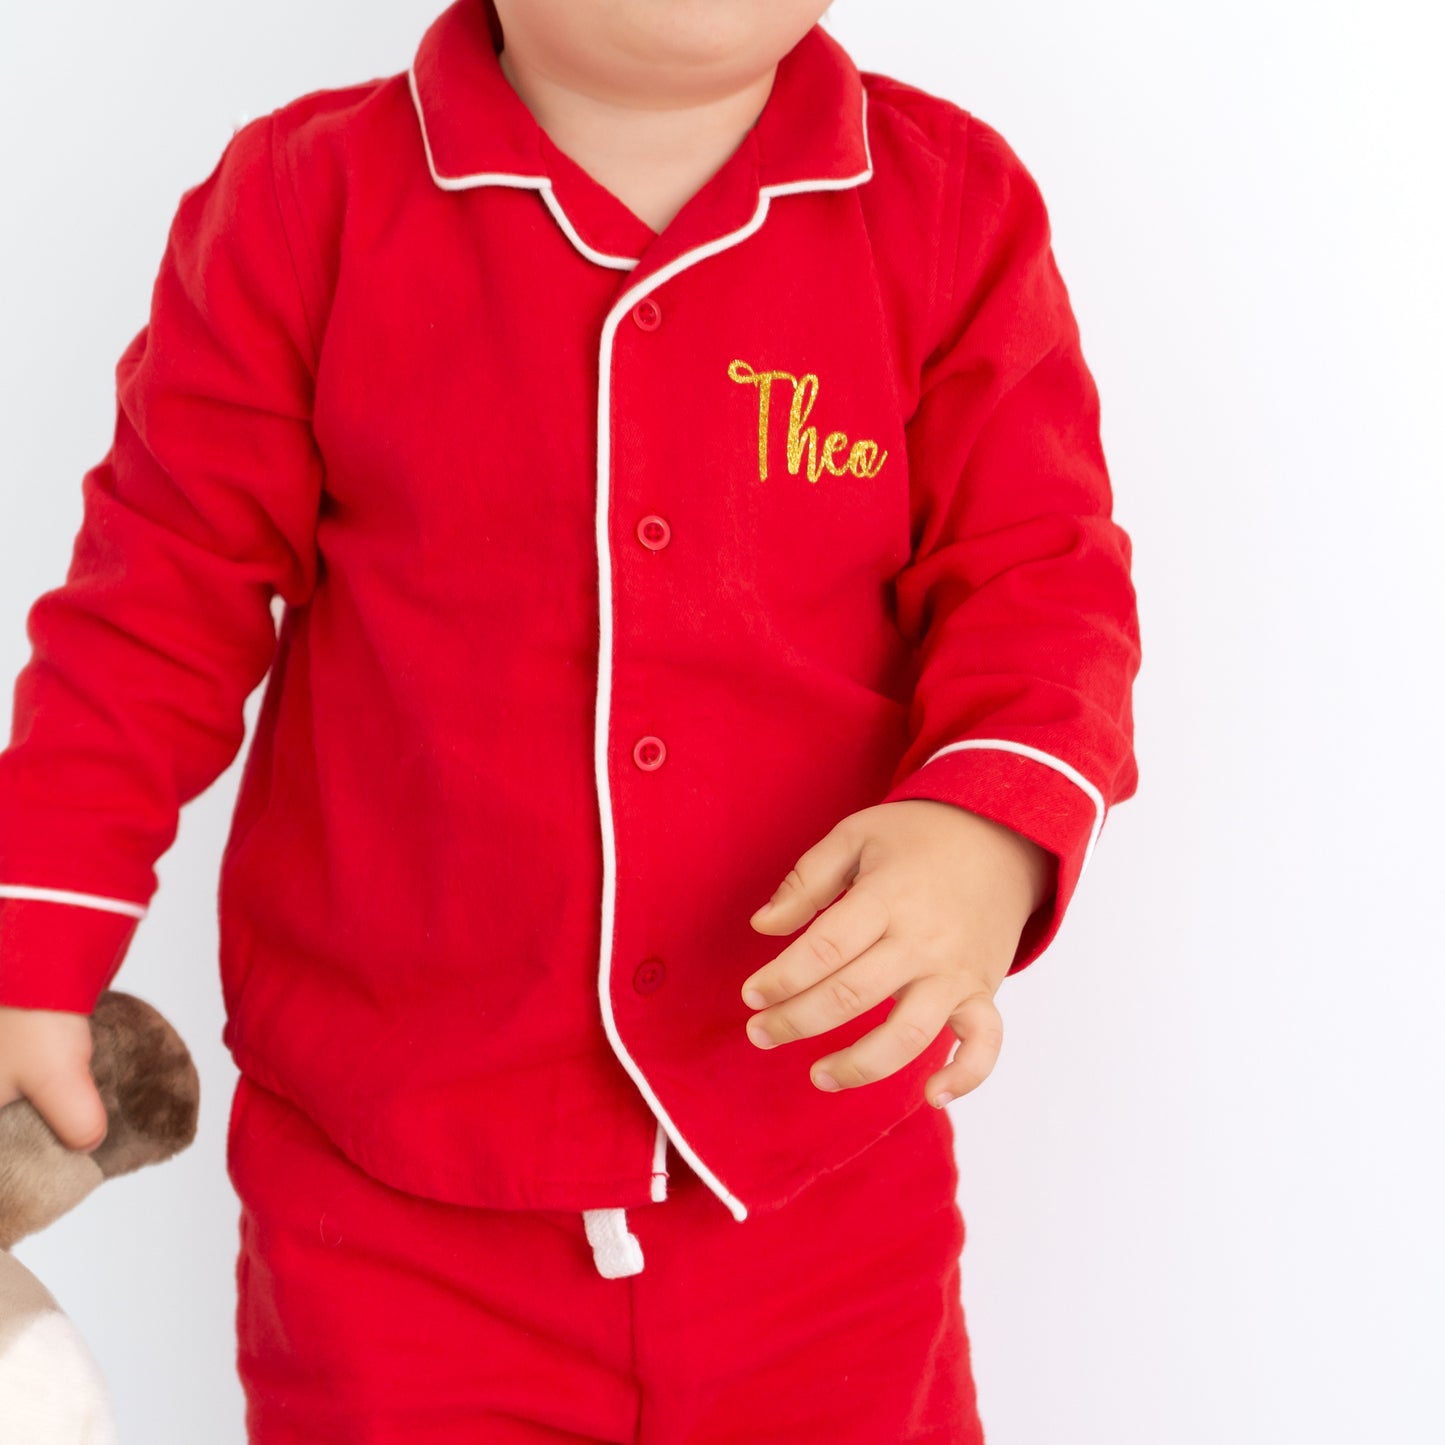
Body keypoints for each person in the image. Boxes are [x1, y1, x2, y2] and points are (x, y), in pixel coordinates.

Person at [0, 0, 1142, 1439]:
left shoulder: (948, 205)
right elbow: (155, 608)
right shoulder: (302, 205)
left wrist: (988, 836)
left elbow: (1040, 580)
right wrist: (33, 944)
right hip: (386, 1200)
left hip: (817, 1176)